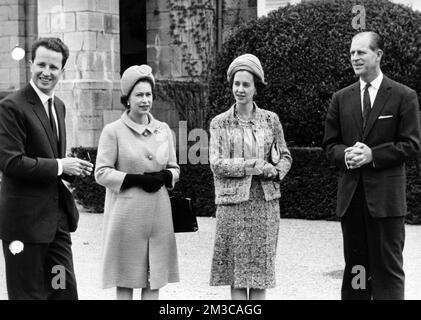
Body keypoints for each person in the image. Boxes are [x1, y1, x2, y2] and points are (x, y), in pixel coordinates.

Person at [322, 31, 421, 300]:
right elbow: (330, 146)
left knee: (388, 272)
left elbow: (411, 145)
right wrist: (346, 155)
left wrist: (372, 156)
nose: (354, 57)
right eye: (352, 52)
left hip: (387, 203)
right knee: (356, 270)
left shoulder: (403, 95)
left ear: (378, 55)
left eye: (361, 52)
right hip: (352, 200)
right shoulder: (340, 98)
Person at [0, 37, 93, 300]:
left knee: (62, 290)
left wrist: (69, 170)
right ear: (30, 64)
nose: (46, 72)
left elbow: (47, 159)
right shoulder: (11, 106)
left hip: (56, 225)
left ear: (62, 71)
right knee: (28, 296)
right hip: (23, 228)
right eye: (41, 64)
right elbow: (11, 162)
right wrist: (60, 165)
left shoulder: (59, 107)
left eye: (54, 67)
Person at [209, 54, 292, 300]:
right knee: (236, 275)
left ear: (256, 88)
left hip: (265, 204)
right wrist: (254, 165)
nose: (240, 89)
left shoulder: (270, 119)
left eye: (246, 84)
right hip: (232, 204)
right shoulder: (220, 123)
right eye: (237, 84)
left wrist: (277, 171)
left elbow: (285, 155)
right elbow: (217, 163)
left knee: (259, 275)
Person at [95, 64, 180, 300]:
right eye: (139, 95)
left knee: (155, 279)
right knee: (126, 279)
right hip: (126, 215)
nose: (145, 100)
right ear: (127, 99)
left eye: (148, 94)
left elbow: (174, 168)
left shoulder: (163, 129)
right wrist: (133, 179)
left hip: (158, 215)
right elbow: (101, 172)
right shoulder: (113, 131)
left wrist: (166, 176)